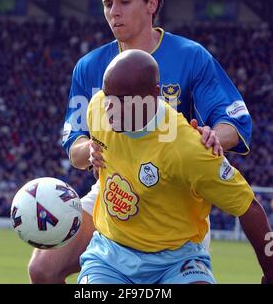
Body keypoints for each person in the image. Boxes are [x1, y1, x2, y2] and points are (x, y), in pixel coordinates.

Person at [28, 0, 252, 283]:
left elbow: (233, 121)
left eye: (124, 1)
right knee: (42, 269)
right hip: (113, 191)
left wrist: (212, 136)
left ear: (151, 4)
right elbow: (73, 144)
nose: (113, 11)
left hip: (173, 201)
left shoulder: (191, 57)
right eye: (107, 3)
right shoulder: (89, 67)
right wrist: (89, 148)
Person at [77, 49, 272, 284]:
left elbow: (248, 207)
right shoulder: (98, 110)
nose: (109, 107)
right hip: (110, 254)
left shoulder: (188, 147)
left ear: (153, 95)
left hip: (176, 262)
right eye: (107, 96)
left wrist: (270, 271)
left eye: (122, 100)